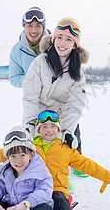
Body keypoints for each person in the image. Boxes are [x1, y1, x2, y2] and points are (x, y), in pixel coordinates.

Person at [22, 17, 89, 155]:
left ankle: (76, 162)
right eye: (60, 37)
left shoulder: (77, 72)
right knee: (34, 156)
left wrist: (68, 131)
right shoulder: (40, 62)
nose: (62, 43)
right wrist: (30, 122)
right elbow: (30, 95)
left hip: (59, 121)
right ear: (54, 39)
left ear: (75, 45)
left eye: (69, 39)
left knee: (56, 158)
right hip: (38, 118)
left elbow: (75, 105)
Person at [9, 6, 50, 88]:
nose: (33, 30)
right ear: (24, 26)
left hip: (54, 97)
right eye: (29, 25)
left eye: (38, 25)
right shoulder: (17, 51)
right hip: (32, 97)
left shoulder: (54, 45)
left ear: (43, 27)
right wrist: (33, 80)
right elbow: (14, 78)